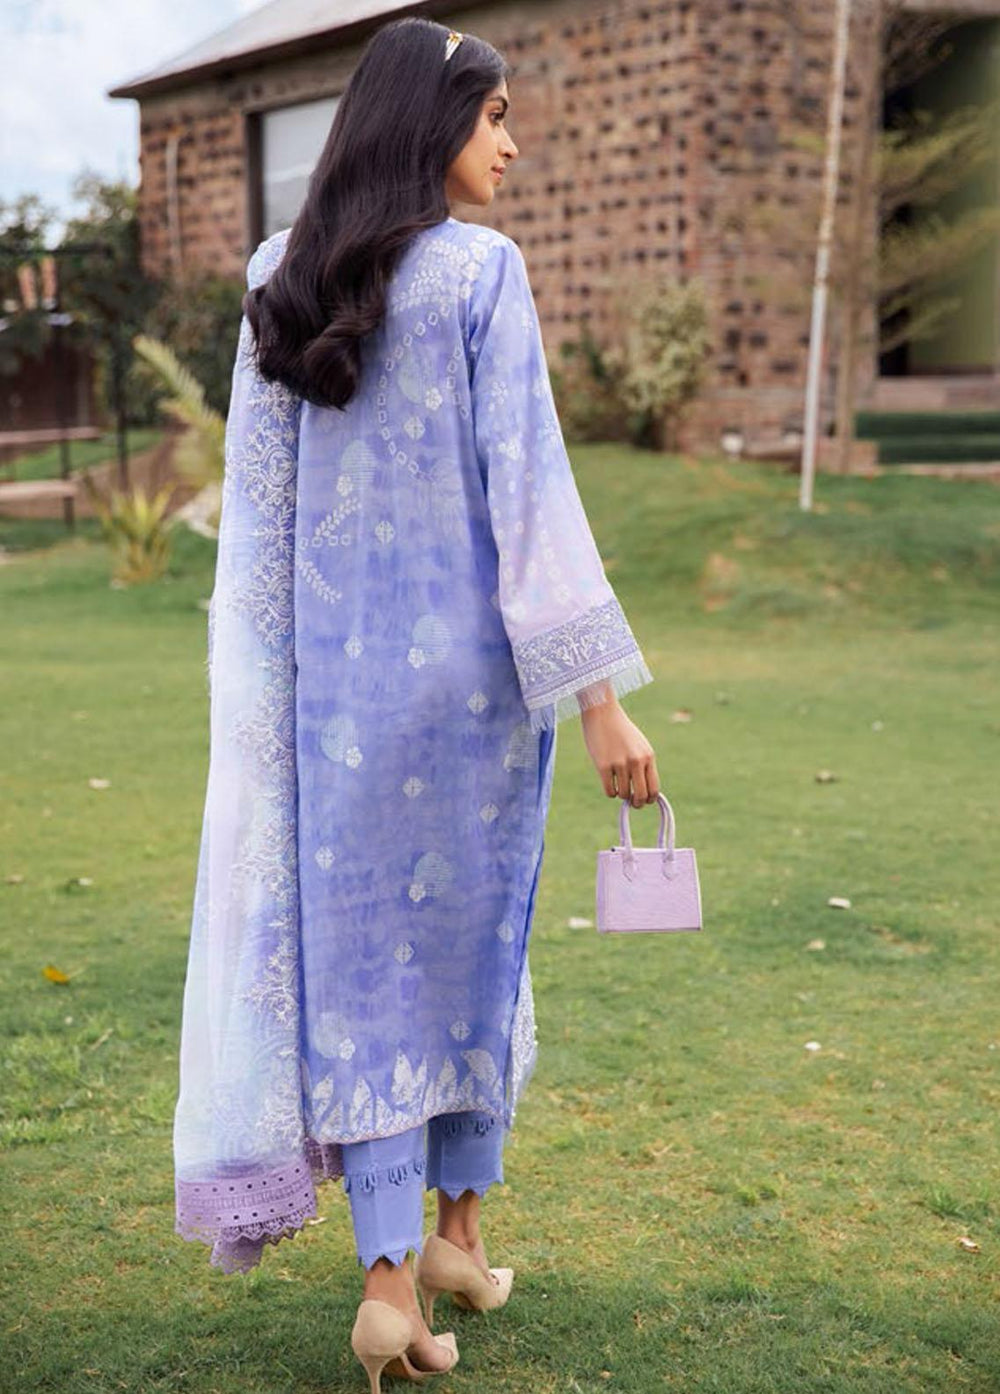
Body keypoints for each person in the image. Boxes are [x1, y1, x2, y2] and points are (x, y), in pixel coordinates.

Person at [172, 16, 659, 1392]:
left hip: (332, 709)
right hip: (475, 707)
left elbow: (259, 527)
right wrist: (604, 705)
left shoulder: (282, 274)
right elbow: (533, 501)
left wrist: (262, 712)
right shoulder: (483, 273)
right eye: (494, 117)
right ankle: (422, 1256)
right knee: (468, 962)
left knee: (368, 975)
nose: (512, 144)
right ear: (429, 119)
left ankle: (429, 1260)